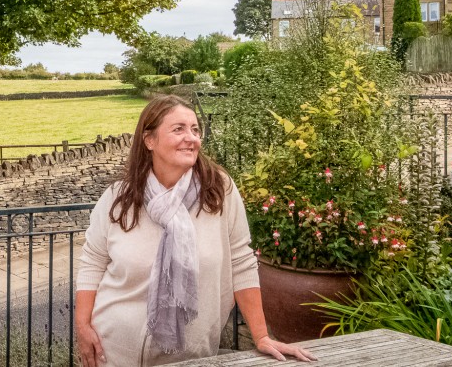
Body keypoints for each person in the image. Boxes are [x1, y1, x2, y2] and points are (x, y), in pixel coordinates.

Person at [75, 95, 316, 366]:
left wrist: (261, 336)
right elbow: (92, 263)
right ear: (149, 140)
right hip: (113, 350)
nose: (191, 137)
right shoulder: (119, 197)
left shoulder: (219, 191)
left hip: (191, 356)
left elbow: (241, 262)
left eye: (195, 129)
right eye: (178, 129)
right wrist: (83, 328)